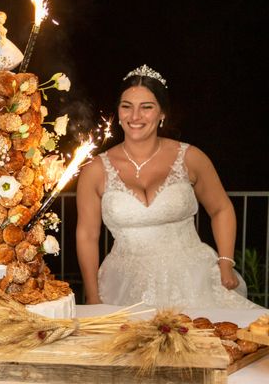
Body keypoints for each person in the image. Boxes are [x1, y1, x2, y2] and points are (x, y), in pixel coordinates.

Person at [76, 64, 259, 308]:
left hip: (194, 281)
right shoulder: (95, 170)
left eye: (146, 107)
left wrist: (225, 263)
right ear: (118, 112)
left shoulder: (191, 157)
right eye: (126, 107)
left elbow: (221, 209)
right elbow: (88, 235)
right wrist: (92, 295)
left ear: (162, 113)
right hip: (123, 285)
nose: (135, 117)